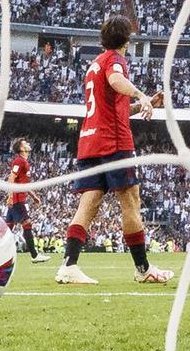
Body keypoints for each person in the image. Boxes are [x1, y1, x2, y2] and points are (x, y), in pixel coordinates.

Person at [55, 15, 174, 286]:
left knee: (89, 202)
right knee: (130, 198)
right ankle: (143, 268)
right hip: (113, 142)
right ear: (127, 40)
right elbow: (117, 79)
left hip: (90, 140)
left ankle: (69, 265)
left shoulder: (94, 64)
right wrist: (141, 95)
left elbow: (112, 106)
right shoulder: (114, 60)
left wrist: (141, 104)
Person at [4, 137, 50, 263]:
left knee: (6, 230)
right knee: (27, 224)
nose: (28, 144)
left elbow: (22, 183)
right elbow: (11, 178)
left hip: (18, 199)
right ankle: (34, 255)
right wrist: (10, 197)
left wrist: (33, 196)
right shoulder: (19, 161)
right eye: (25, 143)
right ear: (21, 148)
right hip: (17, 200)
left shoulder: (24, 162)